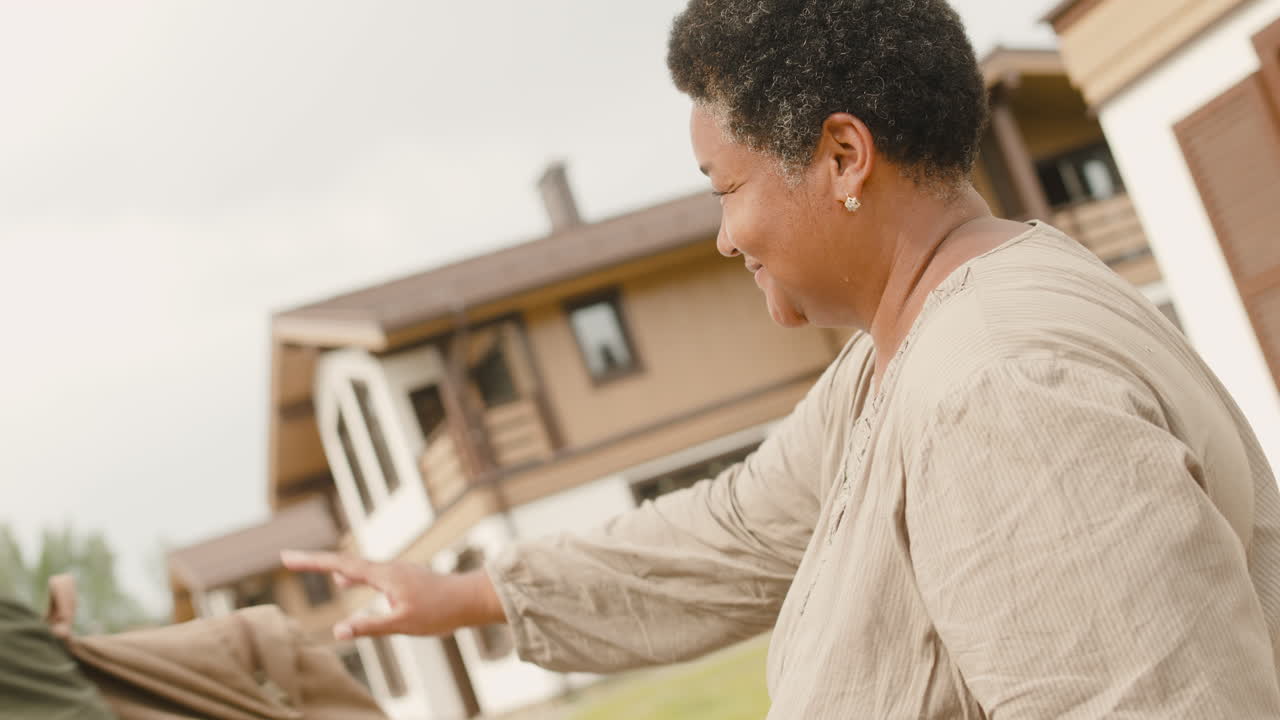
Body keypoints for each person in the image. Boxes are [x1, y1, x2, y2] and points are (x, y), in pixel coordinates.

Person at [284, 1, 1280, 716]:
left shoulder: (999, 387)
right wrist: (468, 594)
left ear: (842, 158)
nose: (723, 236)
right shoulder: (898, 359)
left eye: (723, 188)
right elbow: (736, 530)